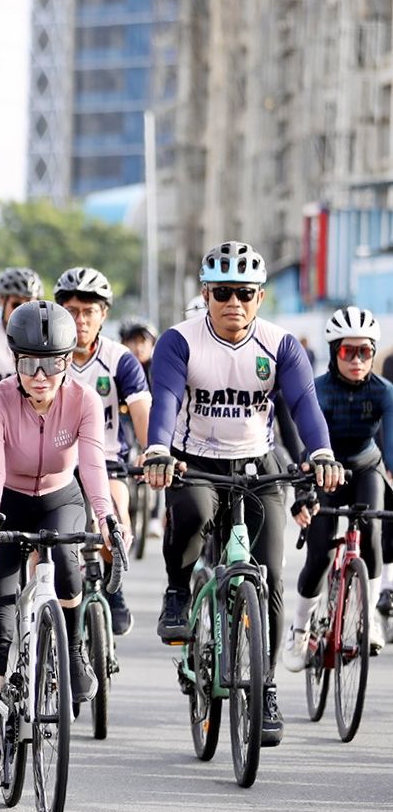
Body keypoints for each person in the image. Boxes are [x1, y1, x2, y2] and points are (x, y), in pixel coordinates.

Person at [143, 240, 341, 747]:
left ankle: (266, 685)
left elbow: (303, 403)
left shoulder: (280, 344)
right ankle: (176, 590)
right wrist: (157, 449)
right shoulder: (179, 340)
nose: (234, 303)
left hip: (258, 463)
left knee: (272, 573)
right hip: (196, 459)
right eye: (223, 292)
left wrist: (320, 454)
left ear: (260, 298)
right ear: (206, 293)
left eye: (245, 293)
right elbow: (164, 399)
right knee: (192, 510)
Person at [0, 300, 125, 789]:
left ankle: (73, 649)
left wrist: (108, 519)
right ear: (14, 360)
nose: (41, 375)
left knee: (69, 563)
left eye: (53, 362)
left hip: (60, 496)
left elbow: (94, 467)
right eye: (30, 363)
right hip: (7, 501)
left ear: (69, 360)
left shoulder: (84, 400)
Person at [284, 307, 393, 666]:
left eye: (366, 351)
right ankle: (300, 631)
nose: (358, 359)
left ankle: (370, 620)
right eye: (349, 351)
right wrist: (303, 492)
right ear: (334, 353)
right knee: (319, 555)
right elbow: (304, 447)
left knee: (374, 534)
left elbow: (390, 448)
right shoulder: (316, 390)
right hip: (323, 470)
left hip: (365, 467)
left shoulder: (384, 392)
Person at [55, 267, 151, 635]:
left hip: (108, 459)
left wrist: (152, 449)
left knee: (115, 511)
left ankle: (114, 584)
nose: (80, 320)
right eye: (72, 310)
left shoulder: (120, 359)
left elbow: (141, 410)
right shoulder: (48, 354)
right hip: (56, 464)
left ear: (103, 314)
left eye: (88, 311)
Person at [0, 268, 43, 384]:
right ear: (1, 301)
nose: (22, 312)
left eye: (29, 305)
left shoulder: (46, 336)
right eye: (16, 304)